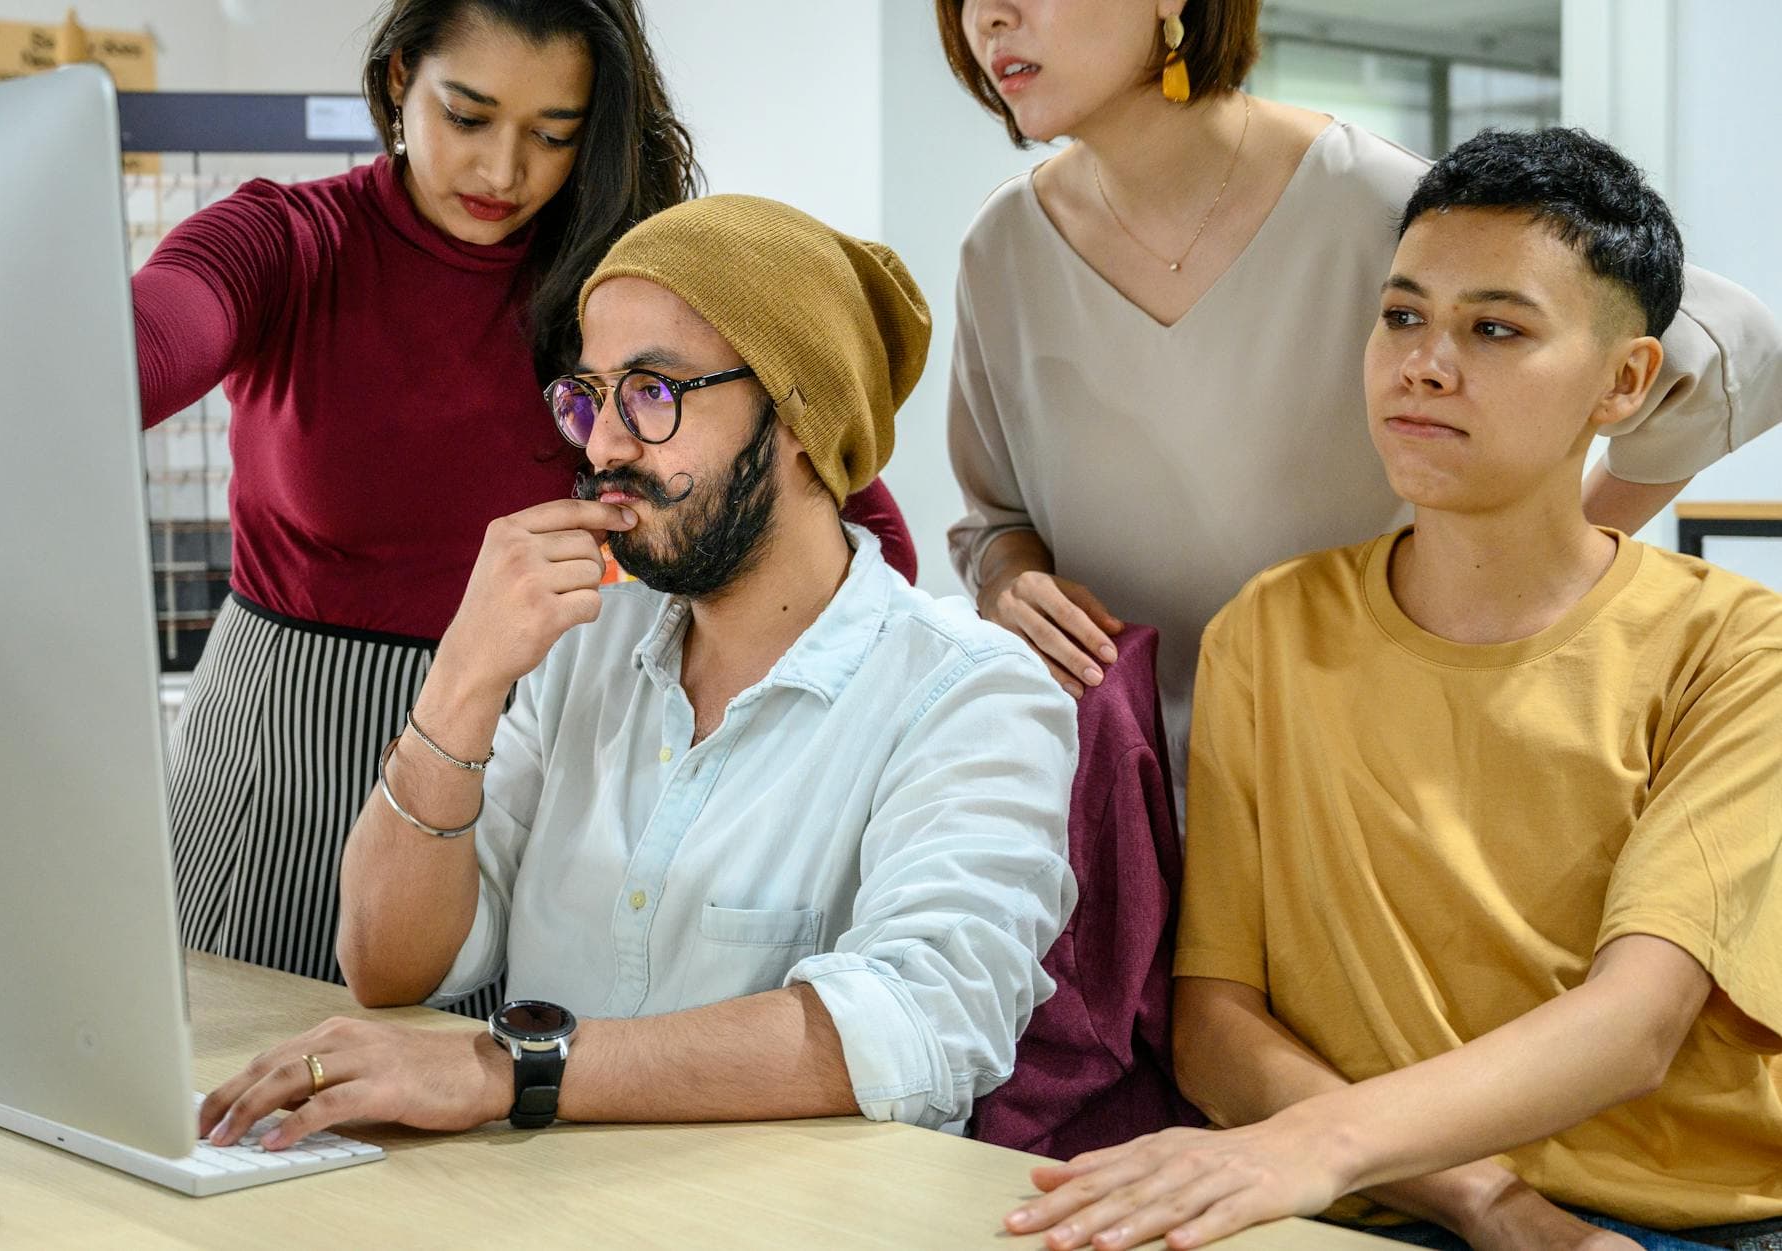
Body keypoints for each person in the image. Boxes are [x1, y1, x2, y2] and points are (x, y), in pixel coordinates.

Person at [1004, 129, 1782, 1251]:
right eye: (1401, 316)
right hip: (1375, 1204)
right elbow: (1216, 1026)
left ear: (1622, 383)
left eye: (1495, 329)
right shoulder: (1268, 630)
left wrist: (1322, 1151)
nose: (1421, 362)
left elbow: (1634, 1026)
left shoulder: (1736, 649)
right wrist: (1480, 1200)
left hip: (1680, 1220)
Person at [193, 195, 1078, 1146]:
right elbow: (392, 965)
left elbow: (919, 1023)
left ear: (797, 416)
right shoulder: (580, 648)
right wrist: (462, 677)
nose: (605, 444)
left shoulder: (974, 692)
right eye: (589, 397)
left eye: (652, 392)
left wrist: (507, 1068)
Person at [139, 0, 914, 1011]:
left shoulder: (622, 298)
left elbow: (848, 515)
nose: (504, 173)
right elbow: (143, 349)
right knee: (241, 1088)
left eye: (553, 135)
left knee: (479, 1117)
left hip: (531, 767)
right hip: (284, 756)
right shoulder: (288, 242)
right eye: (466, 117)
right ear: (396, 83)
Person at [935, 0, 1782, 773]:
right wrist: (1010, 584)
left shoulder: (1372, 196)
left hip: (1366, 773)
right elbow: (996, 519)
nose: (989, 19)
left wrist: (1508, 582)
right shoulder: (1000, 249)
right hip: (1114, 788)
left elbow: (1733, 353)